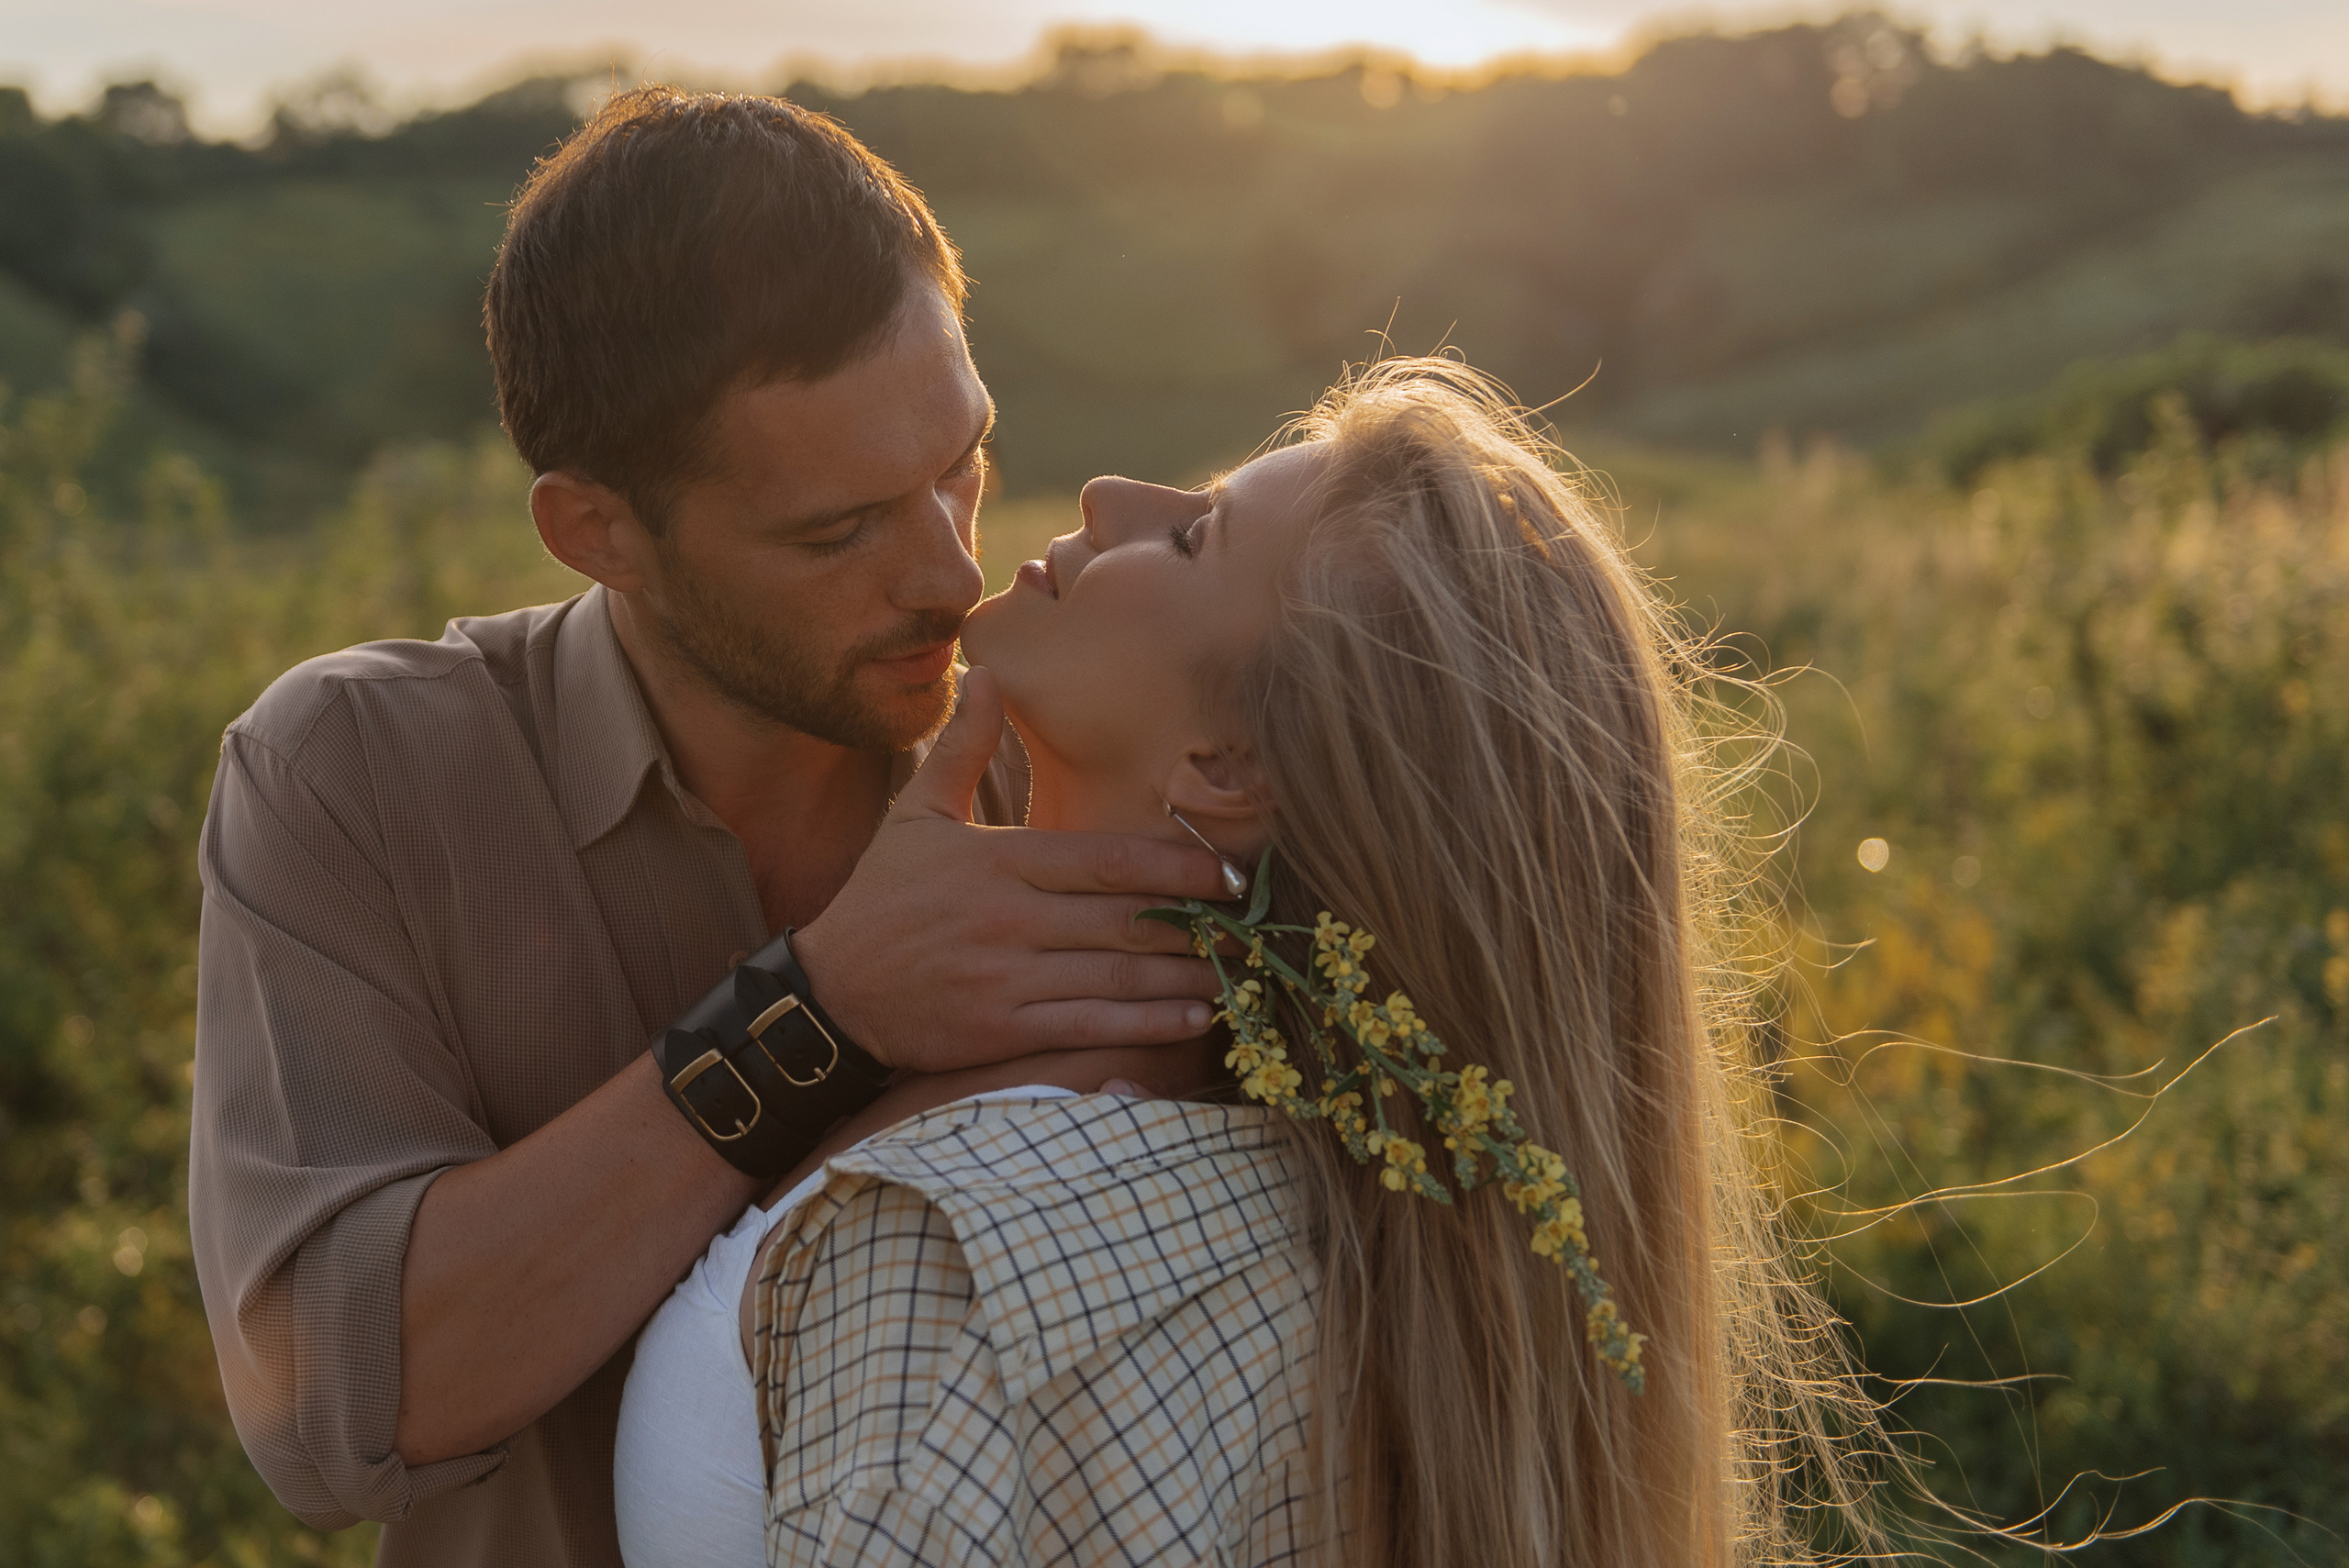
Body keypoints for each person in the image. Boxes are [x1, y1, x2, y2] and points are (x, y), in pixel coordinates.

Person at [187, 89, 1232, 1568]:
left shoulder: (1078, 760)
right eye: (838, 531)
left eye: (962, 465)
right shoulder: (350, 773)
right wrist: (823, 1006)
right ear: (594, 531)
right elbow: (337, 1407)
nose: (951, 574)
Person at [615, 360, 1887, 1567]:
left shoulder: (970, 1257)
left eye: (1195, 537)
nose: (1113, 496)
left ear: (1228, 770)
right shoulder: (1315, 1204)